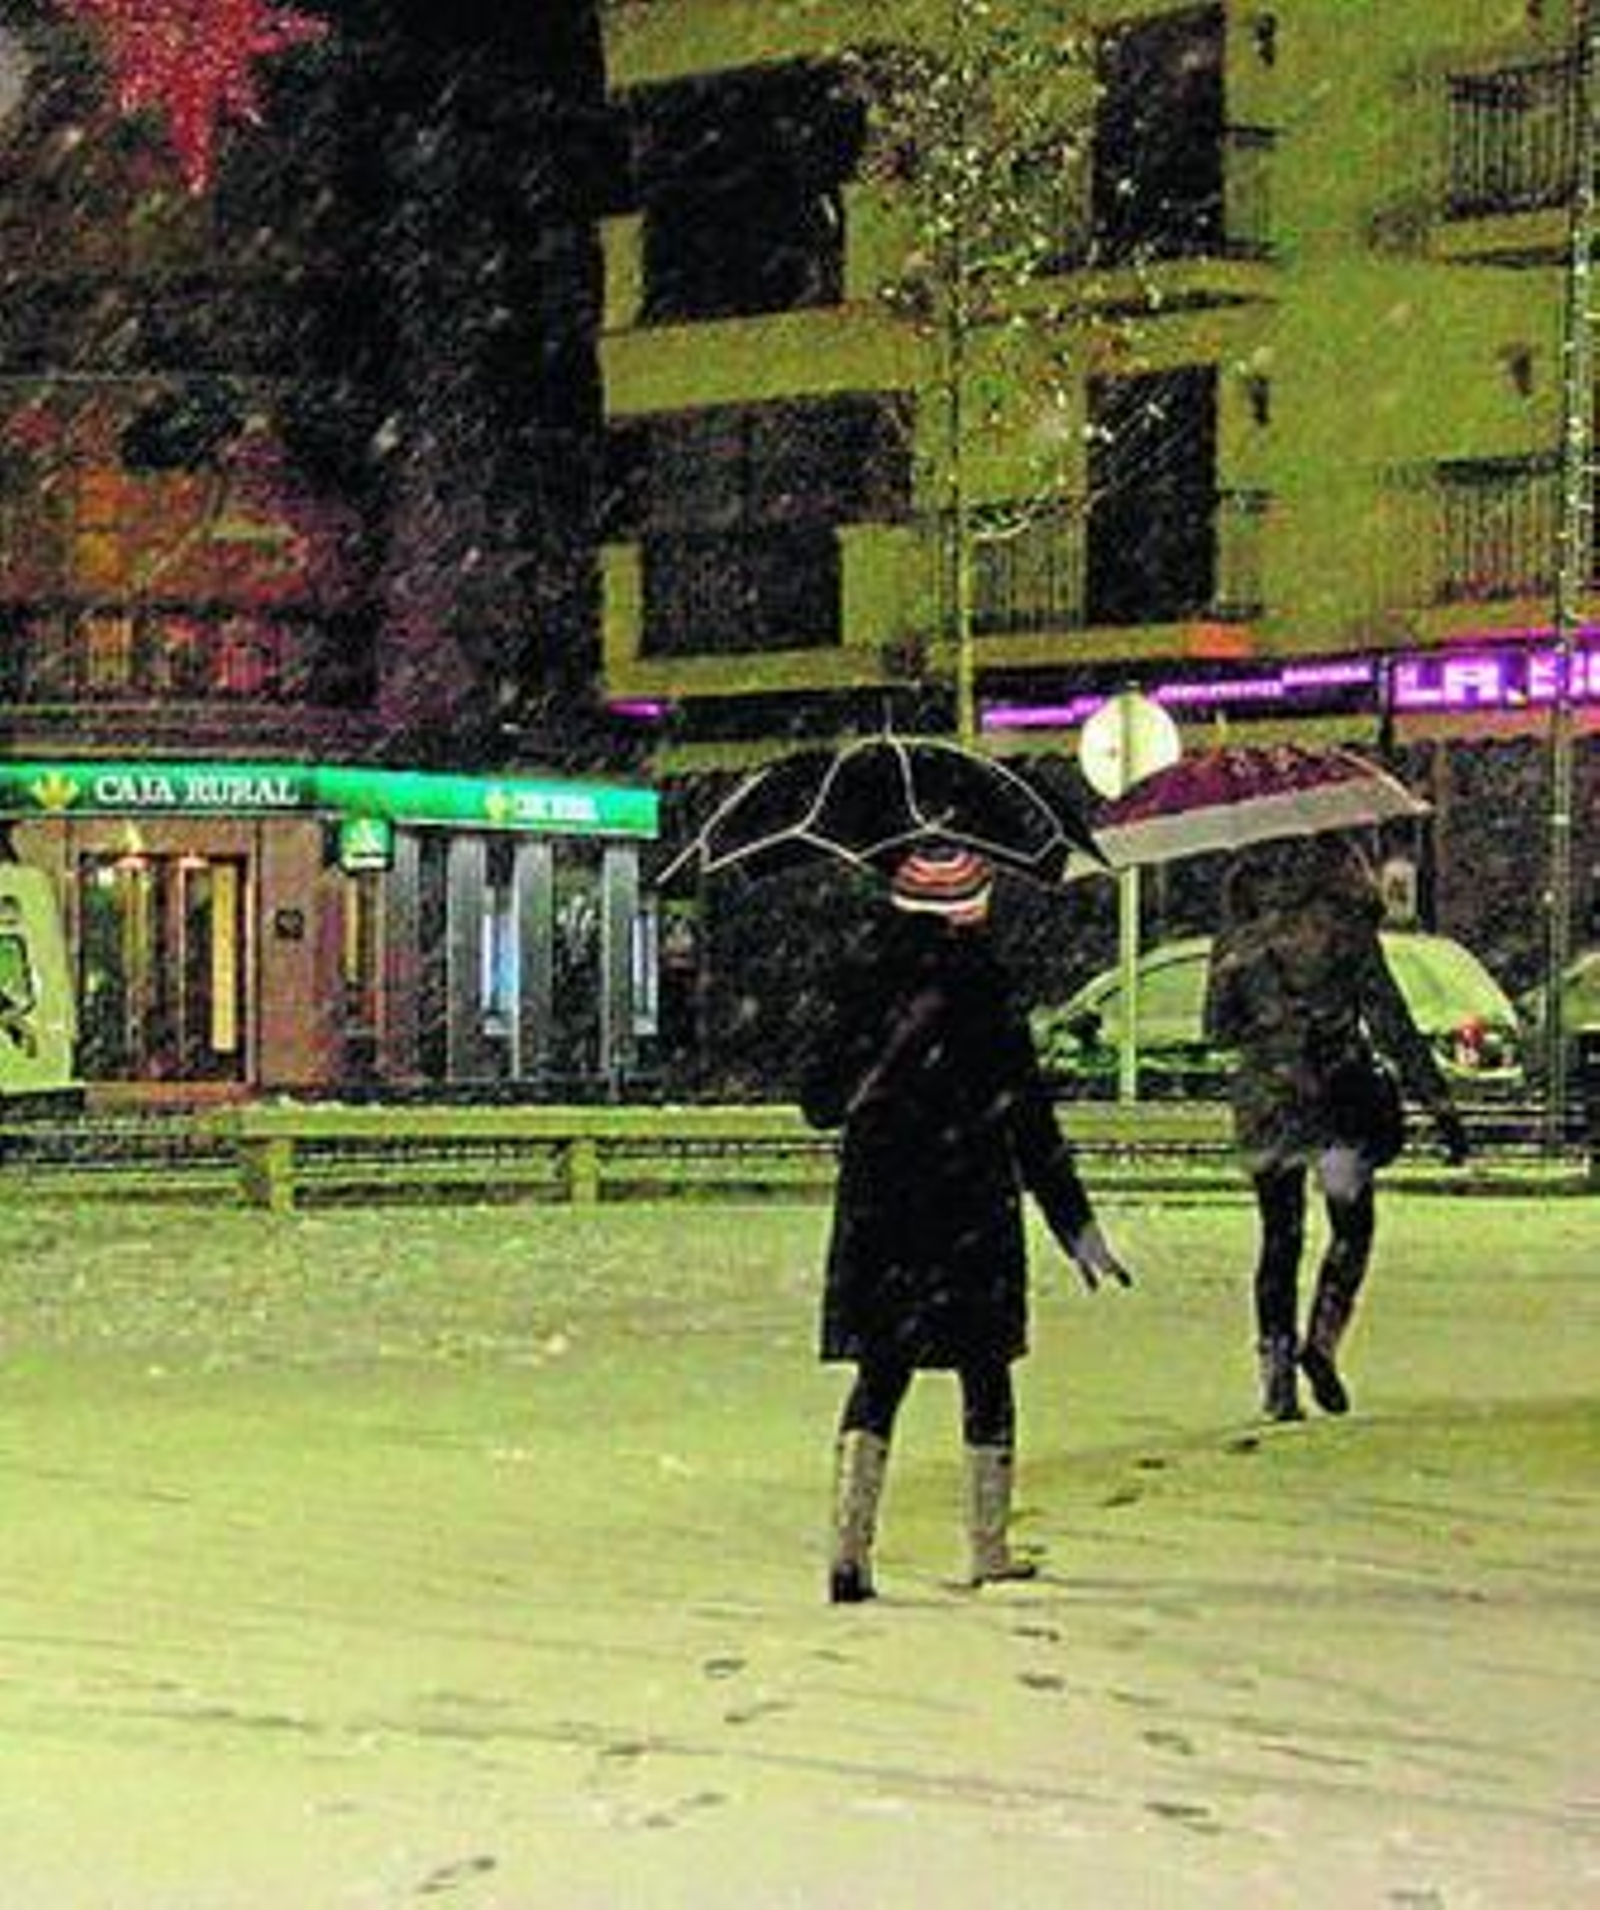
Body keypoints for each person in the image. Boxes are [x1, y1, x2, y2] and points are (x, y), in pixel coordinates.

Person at [799, 843, 1133, 1604]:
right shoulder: (986, 987)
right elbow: (1028, 1120)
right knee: (985, 1372)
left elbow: (817, 1102)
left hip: (883, 1203)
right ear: (975, 906)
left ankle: (849, 1551)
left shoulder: (863, 980)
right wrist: (1074, 1225)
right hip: (968, 1201)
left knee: (880, 1374)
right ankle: (988, 1547)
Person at [1202, 835, 1470, 1422]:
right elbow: (1392, 1022)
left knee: (1279, 1239)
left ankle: (1276, 1380)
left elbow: (1217, 1028)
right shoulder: (1348, 930)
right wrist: (1439, 1106)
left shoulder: (1239, 934)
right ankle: (1320, 1344)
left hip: (1268, 1105)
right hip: (1337, 1107)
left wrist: (1268, 1014)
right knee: (1351, 1227)